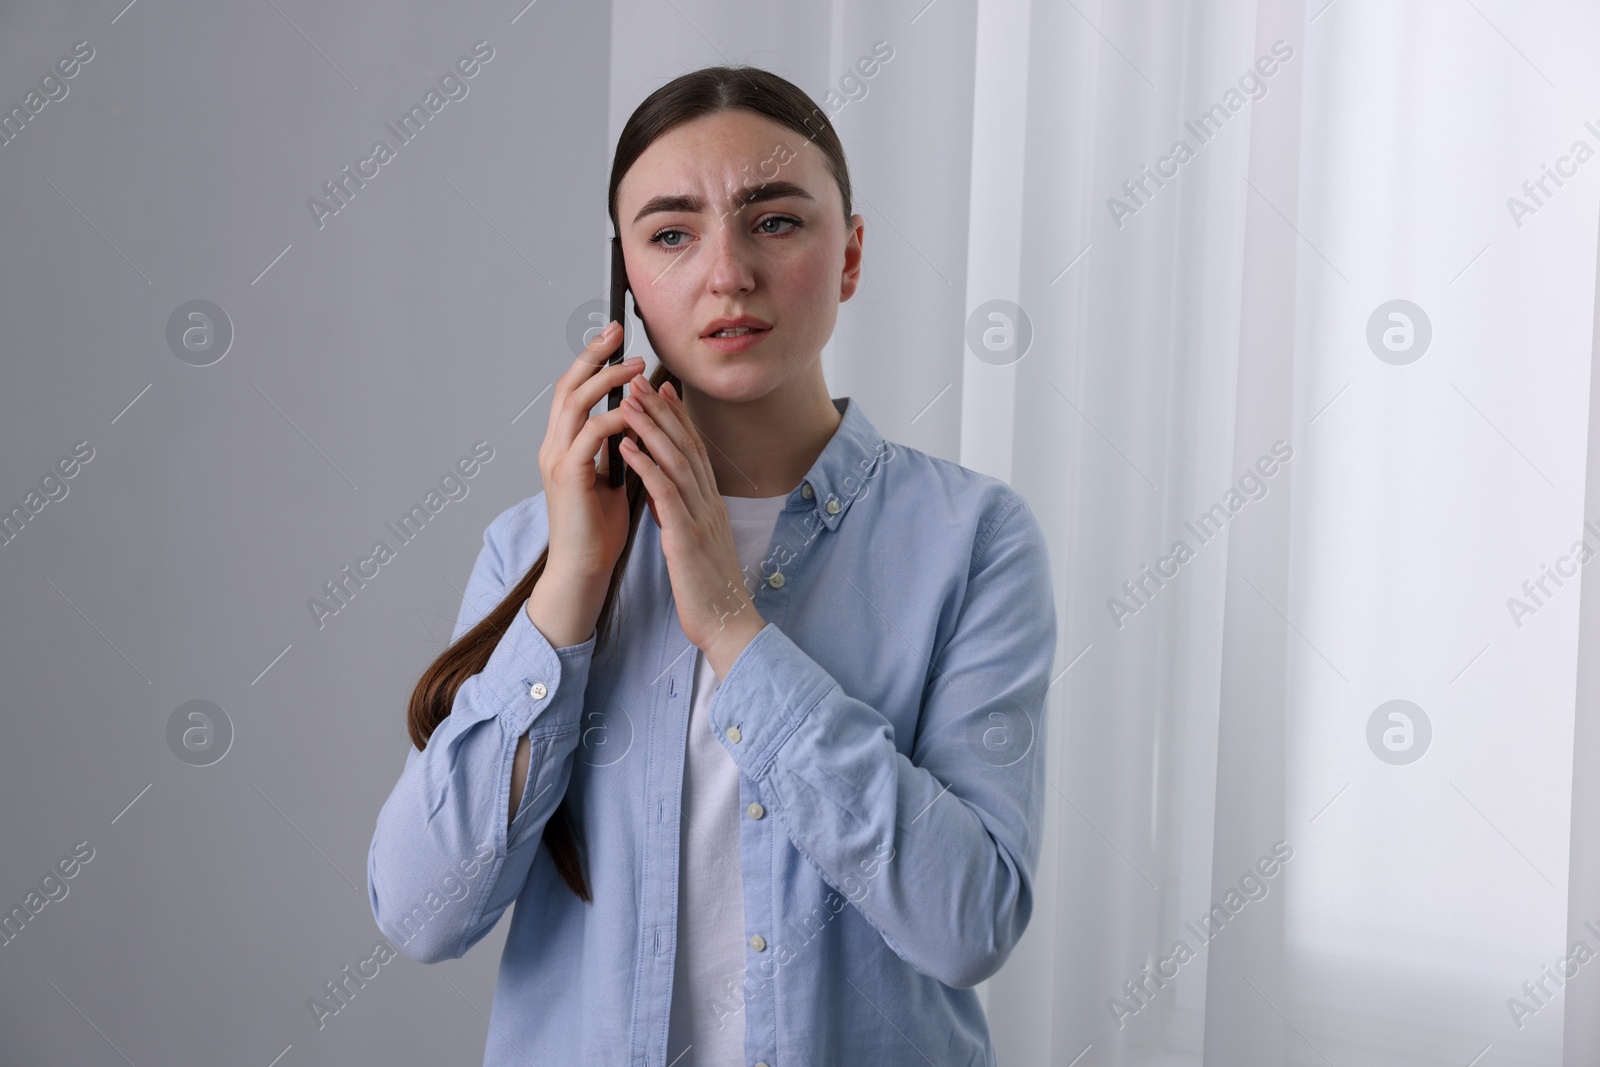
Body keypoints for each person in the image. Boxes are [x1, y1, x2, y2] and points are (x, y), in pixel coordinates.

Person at [367, 63, 1057, 1067]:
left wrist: (733, 625)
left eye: (774, 221)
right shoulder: (533, 547)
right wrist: (571, 584)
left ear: (851, 253)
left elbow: (966, 925)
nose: (727, 272)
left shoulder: (974, 540)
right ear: (627, 283)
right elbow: (421, 912)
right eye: (672, 233)